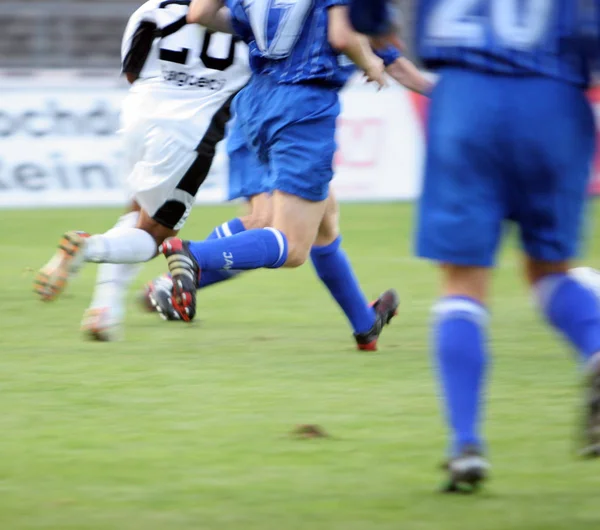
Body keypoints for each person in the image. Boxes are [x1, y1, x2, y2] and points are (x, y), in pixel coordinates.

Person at [415, 0, 600, 493]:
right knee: (550, 270)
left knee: (462, 281)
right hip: (554, 97)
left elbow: (367, 16)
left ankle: (465, 445)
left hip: (466, 95)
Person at [157, 0, 401, 350]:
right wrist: (372, 64)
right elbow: (342, 36)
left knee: (324, 222)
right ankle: (195, 257)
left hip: (257, 99)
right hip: (304, 106)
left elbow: (199, 14)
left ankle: (365, 326)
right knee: (292, 246)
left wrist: (255, 31)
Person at [33, 0, 251, 340]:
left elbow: (132, 70)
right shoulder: (246, 14)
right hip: (188, 132)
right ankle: (89, 248)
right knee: (153, 237)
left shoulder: (152, 8)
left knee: (136, 212)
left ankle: (104, 311)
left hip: (139, 117)